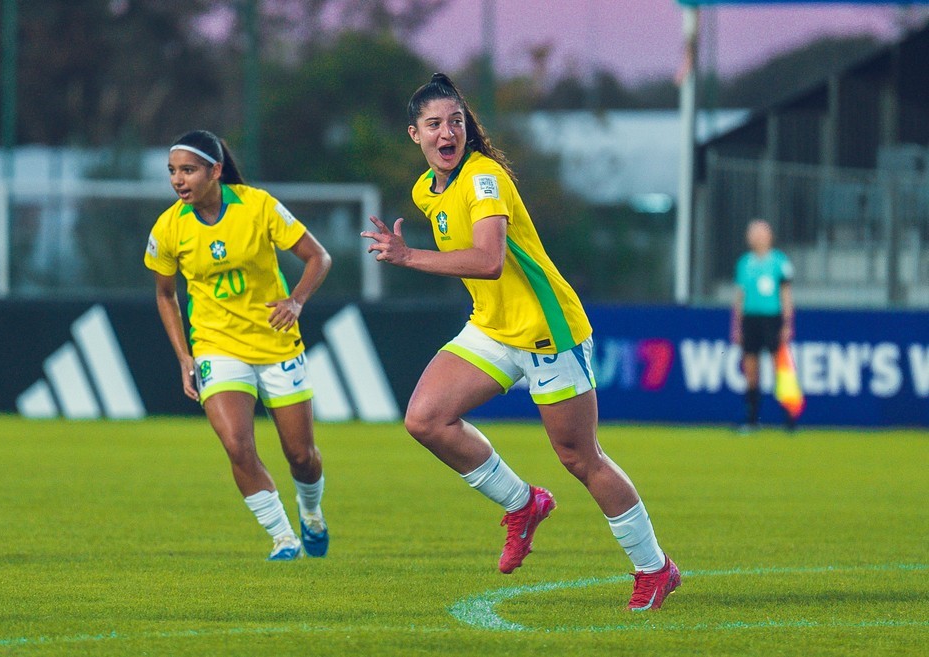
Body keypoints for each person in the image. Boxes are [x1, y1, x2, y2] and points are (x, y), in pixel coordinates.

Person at [360, 74, 680, 611]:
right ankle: (523, 503)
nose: (447, 133)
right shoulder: (425, 190)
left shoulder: (484, 178)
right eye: (434, 124)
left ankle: (655, 568)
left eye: (456, 122)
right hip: (492, 326)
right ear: (414, 134)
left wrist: (409, 256)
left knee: (580, 457)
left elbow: (489, 260)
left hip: (546, 329)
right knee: (425, 419)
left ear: (467, 128)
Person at [144, 130, 333, 561]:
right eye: (172, 171)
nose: (178, 180)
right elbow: (165, 295)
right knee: (236, 444)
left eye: (188, 170)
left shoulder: (257, 205)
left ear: (215, 171)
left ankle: (311, 512)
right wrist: (184, 356)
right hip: (216, 345)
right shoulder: (168, 226)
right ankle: (284, 539)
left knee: (301, 456)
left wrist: (296, 300)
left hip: (276, 341)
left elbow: (318, 256)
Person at [730, 219, 796, 432]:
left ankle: (789, 419)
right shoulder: (744, 263)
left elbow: (786, 295)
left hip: (772, 319)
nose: (758, 237)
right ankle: (751, 419)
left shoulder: (779, 261)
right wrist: (736, 326)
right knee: (751, 370)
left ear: (770, 236)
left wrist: (787, 324)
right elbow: (739, 297)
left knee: (780, 369)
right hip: (750, 320)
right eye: (754, 233)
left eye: (761, 233)